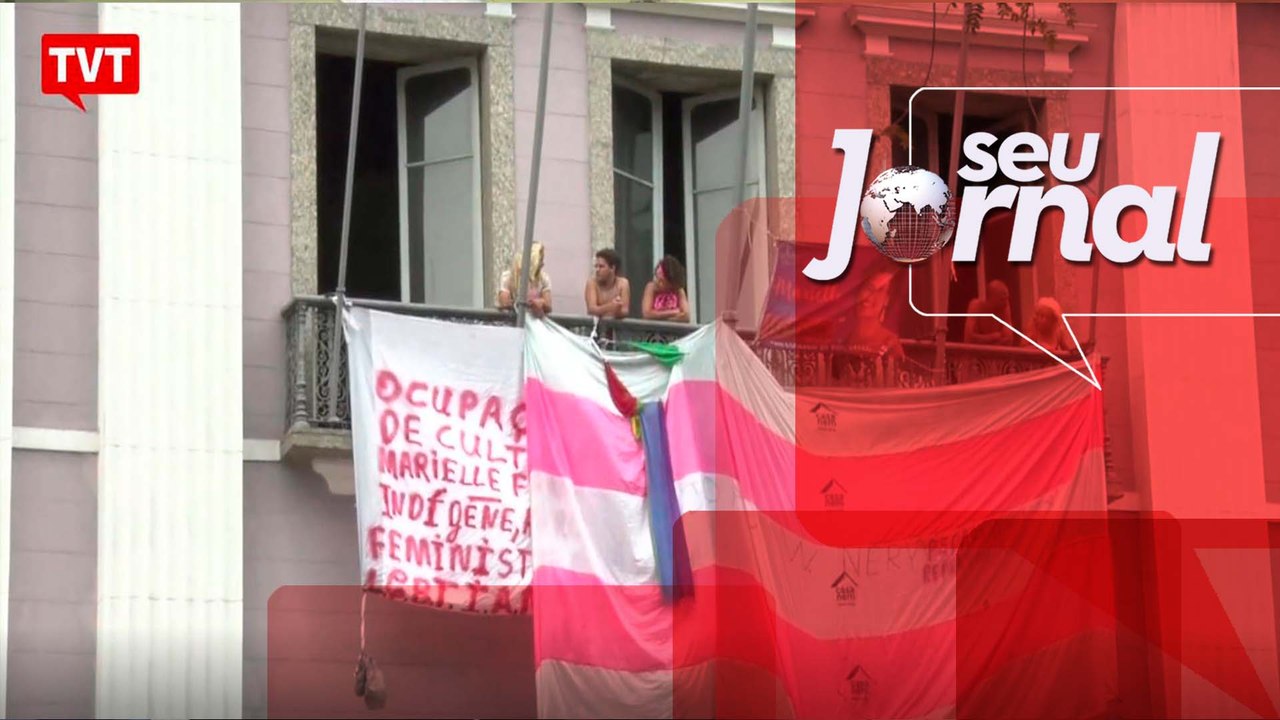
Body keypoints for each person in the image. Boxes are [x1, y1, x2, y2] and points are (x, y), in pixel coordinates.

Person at [845, 270, 904, 360]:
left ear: (887, 299)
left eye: (879, 289)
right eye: (865, 287)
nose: (868, 296)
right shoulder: (840, 337)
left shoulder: (891, 344)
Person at [497, 242, 552, 317]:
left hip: (535, 321)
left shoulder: (543, 279)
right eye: (540, 260)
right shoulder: (508, 277)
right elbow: (504, 303)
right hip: (513, 320)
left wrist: (542, 303)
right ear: (533, 260)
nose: (543, 264)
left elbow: (548, 306)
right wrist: (523, 303)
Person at [964, 279, 1016, 345]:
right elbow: (968, 339)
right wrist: (992, 337)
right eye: (1002, 299)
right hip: (976, 352)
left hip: (995, 352)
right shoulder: (976, 306)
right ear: (991, 298)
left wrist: (981, 340)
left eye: (1007, 298)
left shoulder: (1005, 307)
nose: (1006, 302)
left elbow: (1009, 340)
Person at [642, 255, 690, 323]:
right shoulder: (651, 287)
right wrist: (673, 312)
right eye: (657, 278)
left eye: (661, 281)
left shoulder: (678, 290)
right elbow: (647, 314)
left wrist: (661, 318)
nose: (658, 283)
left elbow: (686, 316)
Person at [584, 248, 630, 319]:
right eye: (596, 266)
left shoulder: (623, 283)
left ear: (612, 268)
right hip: (596, 327)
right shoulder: (592, 283)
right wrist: (610, 307)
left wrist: (617, 310)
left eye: (601, 266)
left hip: (617, 328)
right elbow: (591, 309)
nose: (597, 270)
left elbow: (625, 310)